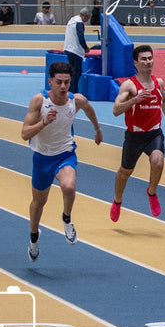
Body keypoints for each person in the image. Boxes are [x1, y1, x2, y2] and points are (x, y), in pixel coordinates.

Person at [21, 62, 103, 261]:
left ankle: (66, 219)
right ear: (50, 81)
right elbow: (24, 134)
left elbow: (89, 110)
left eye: (67, 82)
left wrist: (97, 129)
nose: (64, 86)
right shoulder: (39, 101)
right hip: (42, 158)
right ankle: (34, 238)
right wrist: (44, 122)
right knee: (38, 203)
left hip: (65, 154)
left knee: (68, 186)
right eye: (59, 82)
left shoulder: (76, 100)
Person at [110, 45, 165, 220]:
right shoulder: (129, 85)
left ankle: (151, 192)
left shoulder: (158, 82)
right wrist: (135, 100)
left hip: (154, 133)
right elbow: (116, 110)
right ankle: (117, 201)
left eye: (150, 58)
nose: (148, 62)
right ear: (136, 63)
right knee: (125, 172)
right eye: (143, 59)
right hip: (135, 135)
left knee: (158, 161)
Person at [63, 7, 89, 94]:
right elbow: (80, 36)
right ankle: (73, 90)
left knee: (72, 70)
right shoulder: (79, 23)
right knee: (77, 71)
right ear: (85, 16)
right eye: (87, 18)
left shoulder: (71, 20)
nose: (87, 20)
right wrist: (85, 47)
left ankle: (70, 89)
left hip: (68, 48)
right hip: (75, 50)